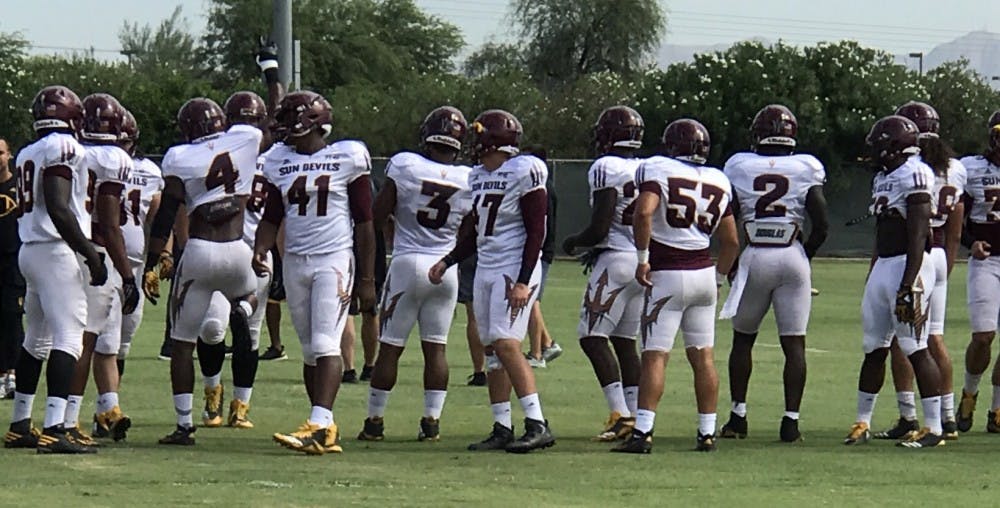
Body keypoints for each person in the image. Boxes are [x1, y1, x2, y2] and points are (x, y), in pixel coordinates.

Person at [255, 90, 376, 455]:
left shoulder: (347, 157)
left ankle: (320, 424)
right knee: (309, 350)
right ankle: (322, 423)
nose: (282, 126)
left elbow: (366, 223)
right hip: (295, 259)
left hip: (334, 258)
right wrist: (260, 247)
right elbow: (272, 216)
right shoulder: (279, 160)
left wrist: (367, 279)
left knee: (326, 342)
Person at [429, 109, 555, 453]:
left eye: (480, 135)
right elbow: (474, 230)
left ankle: (537, 422)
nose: (475, 142)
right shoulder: (478, 176)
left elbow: (536, 231)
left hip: (513, 267)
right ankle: (502, 425)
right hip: (486, 264)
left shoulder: (525, 170)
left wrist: (523, 280)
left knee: (506, 343)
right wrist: (449, 260)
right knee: (491, 348)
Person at [612, 118, 739, 454]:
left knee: (655, 356)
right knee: (704, 358)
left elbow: (644, 213)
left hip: (668, 274)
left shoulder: (658, 168)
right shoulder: (718, 178)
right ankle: (706, 433)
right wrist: (719, 278)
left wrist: (642, 257)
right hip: (704, 275)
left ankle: (643, 431)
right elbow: (731, 241)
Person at [142, 97, 262, 446]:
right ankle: (244, 307)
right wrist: (271, 75)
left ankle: (185, 425)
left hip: (199, 252)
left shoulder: (179, 157)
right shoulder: (245, 139)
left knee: (181, 344)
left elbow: (167, 213)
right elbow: (271, 122)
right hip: (238, 248)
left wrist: (154, 260)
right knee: (251, 293)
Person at [357, 105, 472, 442]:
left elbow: (378, 215)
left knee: (390, 347)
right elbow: (468, 232)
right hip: (445, 267)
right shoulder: (469, 178)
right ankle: (431, 422)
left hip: (409, 263)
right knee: (436, 348)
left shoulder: (406, 165)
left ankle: (375, 422)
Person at [718, 105, 829, 443]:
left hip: (755, 255)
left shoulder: (738, 165)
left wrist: (732, 260)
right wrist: (803, 254)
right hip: (791, 254)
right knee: (794, 344)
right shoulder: (806, 166)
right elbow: (821, 223)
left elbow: (728, 217)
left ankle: (738, 417)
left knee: (743, 339)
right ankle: (790, 422)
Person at [5, 86, 107, 454]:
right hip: (54, 250)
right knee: (69, 338)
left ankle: (20, 422)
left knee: (37, 339)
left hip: (31, 248)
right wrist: (91, 254)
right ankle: (55, 427)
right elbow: (60, 206)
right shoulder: (63, 147)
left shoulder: (28, 151)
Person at [843, 115, 944, 449]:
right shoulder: (885, 177)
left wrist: (909, 280)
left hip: (907, 264)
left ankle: (933, 428)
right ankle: (863, 421)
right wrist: (875, 272)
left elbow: (918, 230)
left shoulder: (916, 171)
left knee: (916, 346)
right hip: (884, 266)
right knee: (873, 347)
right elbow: (881, 230)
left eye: (880, 145)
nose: (875, 151)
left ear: (893, 145)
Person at [877, 102, 964, 440]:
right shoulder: (955, 167)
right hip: (939, 252)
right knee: (934, 337)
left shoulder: (910, 169)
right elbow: (955, 222)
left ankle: (910, 415)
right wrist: (949, 263)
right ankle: (947, 415)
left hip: (914, 251)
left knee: (907, 339)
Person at [562, 105, 645, 441]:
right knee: (626, 342)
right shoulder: (648, 168)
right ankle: (637, 415)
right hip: (641, 261)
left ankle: (618, 412)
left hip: (615, 260)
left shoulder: (606, 167)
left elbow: (600, 225)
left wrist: (574, 242)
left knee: (591, 337)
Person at [64, 94, 139, 445]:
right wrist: (127, 276)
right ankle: (69, 420)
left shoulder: (68, 150)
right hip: (95, 253)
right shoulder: (115, 159)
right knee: (87, 340)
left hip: (61, 251)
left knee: (53, 338)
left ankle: (42, 416)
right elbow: (110, 225)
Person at [955, 111, 1000, 434]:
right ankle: (969, 393)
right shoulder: (971, 168)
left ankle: (997, 409)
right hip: (987, 261)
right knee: (983, 337)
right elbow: (959, 216)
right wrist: (971, 243)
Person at [112, 109, 163, 379]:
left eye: (125, 143)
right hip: (100, 258)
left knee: (123, 341)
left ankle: (110, 404)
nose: (121, 149)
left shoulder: (149, 171)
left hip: (135, 262)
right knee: (93, 336)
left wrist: (159, 255)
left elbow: (157, 221)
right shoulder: (91, 162)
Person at [523, 145, 561, 368]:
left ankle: (537, 354)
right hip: (543, 248)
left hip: (540, 249)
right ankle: (547, 344)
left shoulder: (540, 185)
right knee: (531, 299)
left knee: (531, 299)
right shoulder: (546, 184)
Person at [0, 138, 22, 401]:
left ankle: (14, 374)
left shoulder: (19, 187)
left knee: (13, 317)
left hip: (14, 260)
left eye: (1, 153)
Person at [458, 255, 486, 385]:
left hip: (470, 252)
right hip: (495, 256)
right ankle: (498, 368)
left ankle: (479, 371)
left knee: (473, 316)